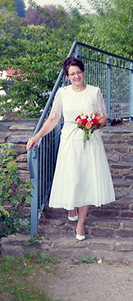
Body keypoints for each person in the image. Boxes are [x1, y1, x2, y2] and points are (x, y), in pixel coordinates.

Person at [26, 56, 115, 240]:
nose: (76, 76)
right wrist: (37, 136)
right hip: (69, 141)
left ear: (83, 72)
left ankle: (80, 225)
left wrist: (92, 124)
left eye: (79, 72)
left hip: (90, 142)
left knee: (86, 181)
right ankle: (71, 206)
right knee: (72, 179)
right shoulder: (62, 93)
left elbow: (104, 118)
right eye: (72, 74)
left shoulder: (94, 92)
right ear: (67, 76)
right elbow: (53, 119)